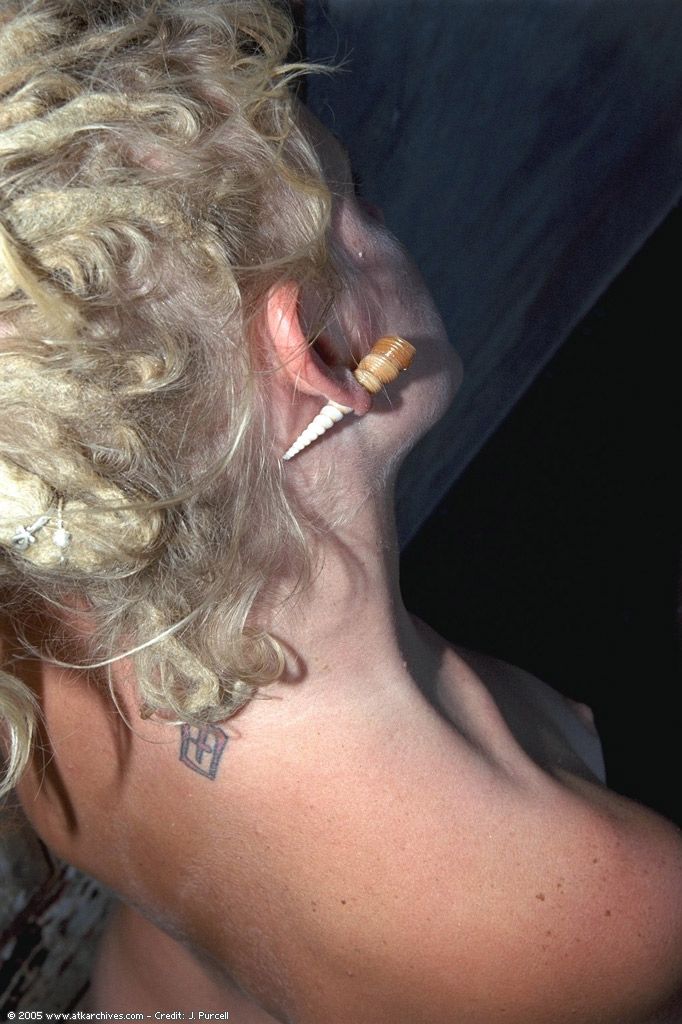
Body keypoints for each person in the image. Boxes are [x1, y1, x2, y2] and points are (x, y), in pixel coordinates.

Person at [1, 2, 681, 1021]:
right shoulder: (590, 905)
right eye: (350, 191)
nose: (376, 210)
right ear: (325, 354)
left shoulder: (42, 628)